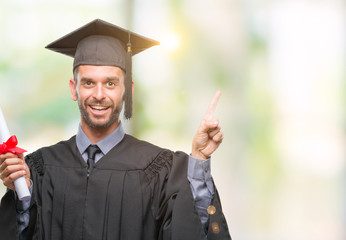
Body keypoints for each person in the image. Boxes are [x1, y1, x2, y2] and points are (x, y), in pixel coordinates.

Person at [0, 19, 231, 240]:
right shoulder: (40, 169)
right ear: (74, 89)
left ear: (126, 90)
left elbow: (188, 230)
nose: (99, 95)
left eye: (110, 83)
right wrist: (22, 197)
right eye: (88, 82)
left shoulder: (160, 170)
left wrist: (199, 159)